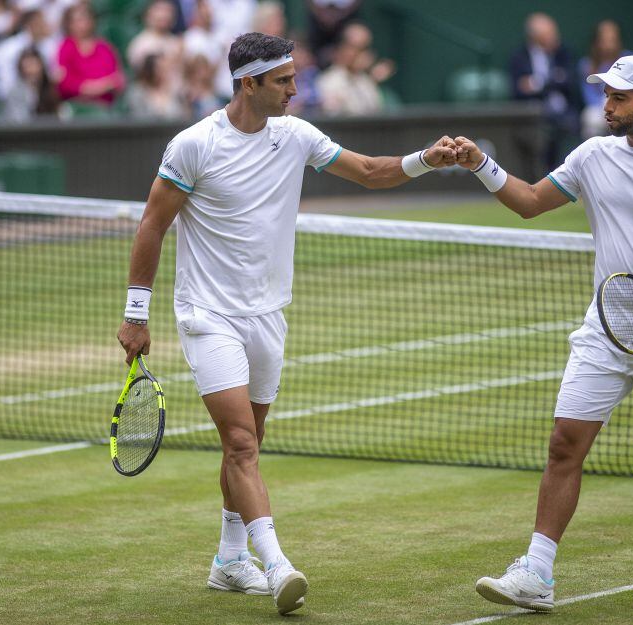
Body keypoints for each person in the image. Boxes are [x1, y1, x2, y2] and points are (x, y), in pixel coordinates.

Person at [116, 31, 457, 616]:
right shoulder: (194, 145)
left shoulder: (296, 136)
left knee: (249, 441)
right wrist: (136, 312)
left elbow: (372, 171)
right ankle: (277, 566)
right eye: (284, 81)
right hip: (208, 314)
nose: (296, 90)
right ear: (249, 83)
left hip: (268, 315)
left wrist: (427, 159)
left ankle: (228, 560)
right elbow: (152, 225)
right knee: (242, 442)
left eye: (295, 78)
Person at [454, 55, 633, 613]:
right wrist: (480, 163)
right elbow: (531, 202)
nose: (607, 106)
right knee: (564, 445)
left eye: (620, 98)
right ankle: (537, 572)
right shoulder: (591, 155)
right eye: (606, 96)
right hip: (603, 332)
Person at [508, 12, 579, 178]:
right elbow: (518, 90)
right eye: (549, 34)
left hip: (563, 111)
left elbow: (569, 81)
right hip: (534, 113)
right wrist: (553, 80)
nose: (555, 38)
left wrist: (537, 83)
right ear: (535, 37)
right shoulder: (519, 57)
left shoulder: (564, 53)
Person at [54, 2, 123, 106]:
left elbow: (117, 79)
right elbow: (65, 82)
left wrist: (96, 87)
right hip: (76, 105)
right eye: (77, 20)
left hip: (105, 106)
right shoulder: (65, 47)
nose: (83, 24)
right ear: (69, 24)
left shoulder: (104, 47)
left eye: (86, 19)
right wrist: (96, 87)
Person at [579, 20, 629, 139]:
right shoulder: (587, 65)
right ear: (596, 42)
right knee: (591, 117)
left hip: (624, 105)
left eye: (612, 40)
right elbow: (589, 96)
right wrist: (607, 107)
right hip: (600, 109)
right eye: (604, 40)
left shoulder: (629, 59)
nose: (608, 44)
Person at [1, 47, 60, 122]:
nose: (31, 71)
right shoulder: (15, 92)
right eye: (27, 67)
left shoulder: (49, 89)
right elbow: (18, 121)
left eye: (34, 65)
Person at [126, 52, 186, 120]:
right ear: (150, 71)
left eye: (166, 68)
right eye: (160, 69)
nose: (165, 72)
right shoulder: (138, 92)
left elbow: (182, 116)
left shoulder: (176, 92)